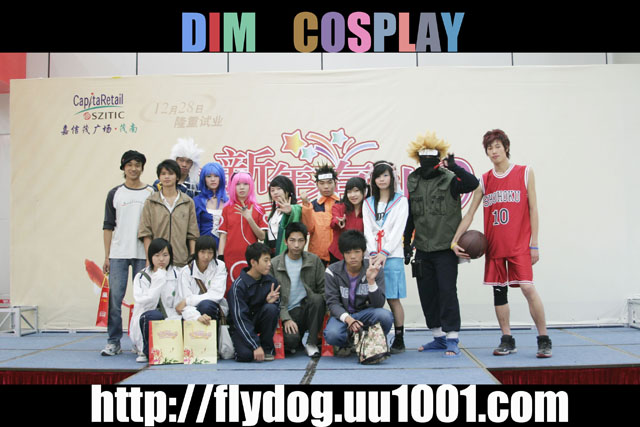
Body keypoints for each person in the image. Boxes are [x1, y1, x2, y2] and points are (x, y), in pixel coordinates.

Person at [451, 129, 551, 358]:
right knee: (499, 292)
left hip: (519, 244)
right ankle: (507, 339)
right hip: (495, 246)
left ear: (506, 147)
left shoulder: (524, 172)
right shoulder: (484, 180)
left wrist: (534, 243)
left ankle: (544, 338)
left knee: (527, 288)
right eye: (489, 148)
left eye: (497, 146)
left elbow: (534, 209)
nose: (494, 151)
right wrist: (454, 241)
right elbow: (470, 214)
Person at [403, 131, 479, 358]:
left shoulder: (450, 179)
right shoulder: (413, 180)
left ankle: (452, 337)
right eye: (423, 157)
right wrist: (407, 243)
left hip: (445, 248)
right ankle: (438, 337)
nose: (427, 161)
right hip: (422, 248)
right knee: (427, 294)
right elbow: (411, 215)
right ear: (418, 158)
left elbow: (472, 184)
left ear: (438, 158)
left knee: (447, 292)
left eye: (432, 157)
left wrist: (455, 167)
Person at [101, 150, 154, 357]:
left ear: (142, 168)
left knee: (143, 301)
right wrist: (107, 256)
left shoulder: (150, 192)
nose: (133, 168)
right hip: (118, 254)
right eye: (130, 165)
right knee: (115, 300)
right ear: (123, 167)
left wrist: (151, 256)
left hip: (143, 254)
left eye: (137, 165)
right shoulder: (115, 193)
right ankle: (113, 341)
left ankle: (140, 341)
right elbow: (108, 226)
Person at [363, 161, 409, 354]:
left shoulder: (401, 201)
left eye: (385, 175)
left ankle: (399, 338)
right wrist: (374, 253)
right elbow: (367, 229)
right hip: (372, 257)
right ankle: (373, 341)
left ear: (392, 177)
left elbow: (399, 229)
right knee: (371, 298)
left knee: (392, 298)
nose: (381, 179)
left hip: (393, 255)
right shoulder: (368, 202)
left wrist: (385, 252)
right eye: (378, 176)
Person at [324, 230, 393, 356]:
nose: (353, 256)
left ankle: (371, 341)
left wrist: (371, 281)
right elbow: (332, 303)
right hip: (343, 316)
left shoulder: (375, 269)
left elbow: (379, 304)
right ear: (342, 254)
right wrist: (349, 319)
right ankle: (349, 344)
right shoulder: (332, 271)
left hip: (365, 314)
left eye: (357, 251)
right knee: (332, 334)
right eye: (348, 252)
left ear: (363, 252)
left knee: (385, 316)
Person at [270, 222, 326, 357]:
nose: (296, 245)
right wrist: (285, 318)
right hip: (287, 311)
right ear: (286, 241)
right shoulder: (274, 264)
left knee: (318, 298)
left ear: (305, 242)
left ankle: (311, 343)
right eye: (292, 240)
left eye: (300, 241)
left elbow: (324, 290)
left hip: (307, 309)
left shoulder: (314, 261)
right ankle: (296, 340)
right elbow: (273, 298)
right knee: (291, 341)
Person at [138, 159, 200, 267]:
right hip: (158, 261)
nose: (167, 177)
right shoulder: (151, 201)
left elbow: (193, 234)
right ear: (159, 177)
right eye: (163, 174)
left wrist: (192, 258)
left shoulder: (187, 202)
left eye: (171, 174)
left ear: (177, 177)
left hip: (181, 260)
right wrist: (149, 258)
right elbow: (146, 232)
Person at [129, 238, 181, 363]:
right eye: (157, 255)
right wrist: (158, 280)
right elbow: (145, 301)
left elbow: (181, 299)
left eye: (165, 255)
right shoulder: (142, 276)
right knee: (153, 315)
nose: (161, 259)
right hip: (149, 313)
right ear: (150, 257)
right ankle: (146, 351)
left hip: (172, 314)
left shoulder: (177, 274)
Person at [227, 242, 281, 362]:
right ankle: (253, 344)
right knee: (246, 355)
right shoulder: (238, 286)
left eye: (269, 260)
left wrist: (269, 302)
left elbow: (276, 309)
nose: (269, 264)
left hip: (258, 322)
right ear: (253, 262)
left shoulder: (271, 282)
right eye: (265, 260)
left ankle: (267, 348)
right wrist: (255, 345)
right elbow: (240, 319)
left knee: (271, 308)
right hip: (241, 326)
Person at [218, 171, 268, 295]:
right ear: (232, 186)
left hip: (252, 258)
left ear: (250, 186)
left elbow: (262, 236)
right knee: (231, 290)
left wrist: (249, 218)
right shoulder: (226, 209)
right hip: (230, 257)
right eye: (238, 184)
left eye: (245, 184)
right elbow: (223, 236)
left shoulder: (258, 208)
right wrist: (221, 257)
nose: (241, 187)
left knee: (251, 290)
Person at [175, 235, 228, 326]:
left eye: (210, 252)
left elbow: (216, 294)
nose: (206, 256)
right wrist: (197, 317)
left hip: (212, 308)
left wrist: (188, 301)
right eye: (202, 252)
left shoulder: (220, 266)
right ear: (196, 252)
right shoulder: (185, 272)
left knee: (206, 305)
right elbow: (183, 304)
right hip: (190, 313)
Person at [301, 164, 341, 265]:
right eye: (322, 183)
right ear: (317, 184)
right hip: (317, 257)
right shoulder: (311, 206)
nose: (326, 186)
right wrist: (305, 205)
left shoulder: (343, 204)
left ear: (335, 183)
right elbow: (308, 228)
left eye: (329, 182)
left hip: (339, 255)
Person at [329, 177, 367, 264]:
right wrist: (338, 222)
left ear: (364, 191)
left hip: (359, 256)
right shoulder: (339, 207)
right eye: (349, 192)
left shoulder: (369, 209)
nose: (352, 195)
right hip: (338, 255)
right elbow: (333, 222)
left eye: (356, 191)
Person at [194, 162, 228, 248]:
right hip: (204, 248)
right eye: (208, 176)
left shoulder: (228, 202)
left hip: (226, 248)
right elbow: (194, 230)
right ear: (203, 179)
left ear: (221, 178)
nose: (213, 179)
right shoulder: (197, 201)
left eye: (216, 176)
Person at [266, 175, 302, 256]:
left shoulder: (296, 208)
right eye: (272, 190)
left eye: (279, 189)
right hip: (271, 252)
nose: (275, 192)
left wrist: (290, 211)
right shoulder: (273, 213)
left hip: (285, 252)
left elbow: (297, 211)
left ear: (288, 190)